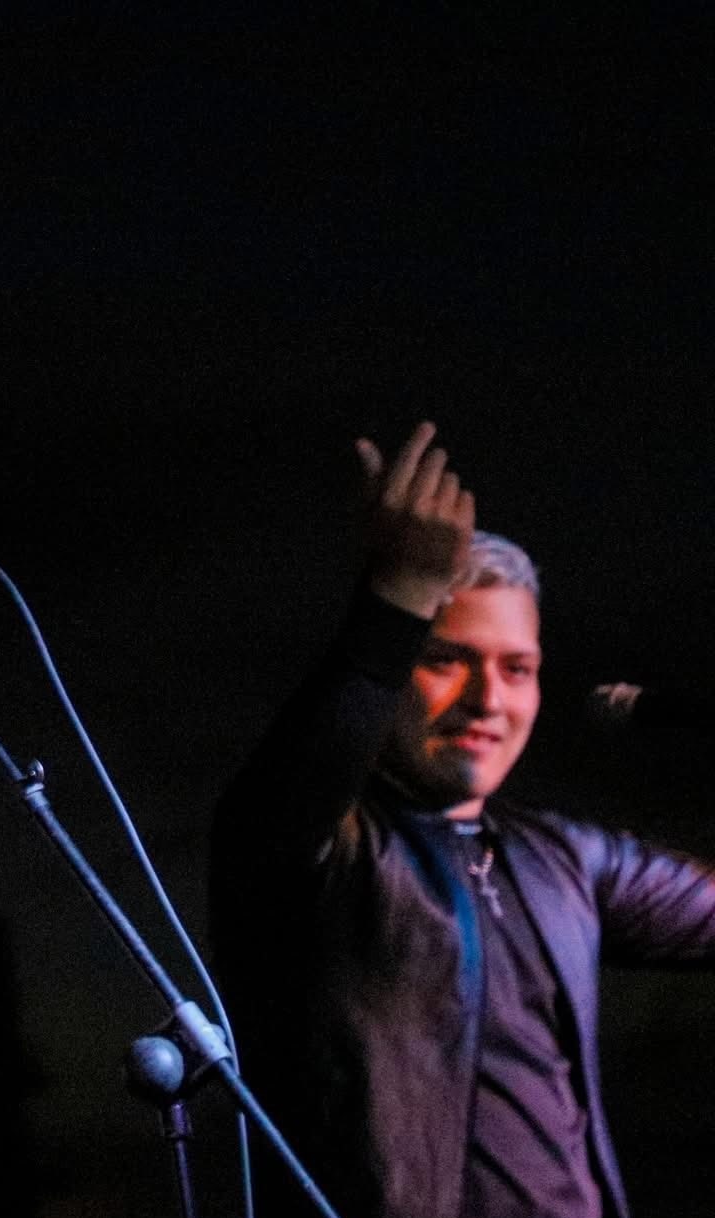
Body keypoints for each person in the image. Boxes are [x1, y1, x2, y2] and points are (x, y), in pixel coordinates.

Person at [210, 421, 713, 1218]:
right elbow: (284, 795)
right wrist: (397, 600)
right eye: (447, 659)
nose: (489, 700)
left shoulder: (565, 857)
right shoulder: (322, 849)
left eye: (518, 669)